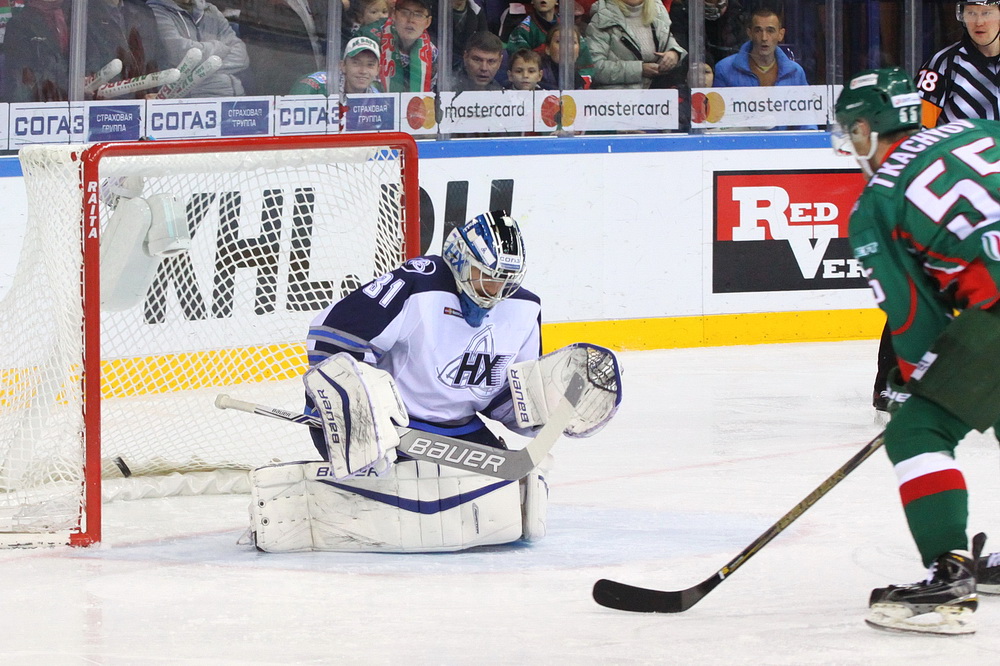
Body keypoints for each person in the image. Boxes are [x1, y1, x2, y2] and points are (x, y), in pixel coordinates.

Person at [247, 211, 622, 553]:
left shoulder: (525, 309)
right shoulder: (418, 284)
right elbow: (332, 335)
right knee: (396, 487)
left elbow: (499, 398)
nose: (496, 291)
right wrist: (350, 409)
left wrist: (545, 409)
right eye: (487, 276)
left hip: (460, 433)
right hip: (393, 427)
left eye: (506, 281)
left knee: (522, 508)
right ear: (459, 258)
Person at [833, 67, 1000, 635]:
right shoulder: (978, 129)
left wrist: (915, 394)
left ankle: (949, 578)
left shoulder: (876, 203)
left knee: (917, 433)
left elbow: (913, 320)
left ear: (865, 130)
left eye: (849, 132)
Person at [147, 0, 248, 97]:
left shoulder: (211, 11)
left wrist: (201, 70)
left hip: (236, 98)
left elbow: (242, 57)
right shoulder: (154, 11)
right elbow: (180, 54)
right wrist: (219, 48)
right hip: (191, 103)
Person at [585, 0, 686, 90]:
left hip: (657, 97)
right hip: (616, 102)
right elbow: (594, 68)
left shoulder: (658, 9)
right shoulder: (602, 16)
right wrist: (640, 69)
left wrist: (674, 53)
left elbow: (668, 39)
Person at [236, 0, 327, 96]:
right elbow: (263, 65)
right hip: (290, 94)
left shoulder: (318, 3)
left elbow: (335, 39)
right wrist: (304, 84)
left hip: (326, 88)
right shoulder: (258, 7)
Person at [87, 0, 167, 98]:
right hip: (105, 105)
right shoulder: (81, 12)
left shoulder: (144, 13)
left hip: (148, 104)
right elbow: (88, 70)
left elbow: (159, 60)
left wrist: (159, 94)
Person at [713, 6, 806, 87]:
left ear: (781, 34)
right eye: (758, 30)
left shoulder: (796, 73)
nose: (764, 38)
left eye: (770, 31)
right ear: (749, 33)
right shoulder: (724, 69)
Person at [358, 0, 438, 92]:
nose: (410, 20)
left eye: (418, 15)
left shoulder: (432, 53)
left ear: (428, 22)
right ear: (393, 14)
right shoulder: (369, 40)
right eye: (405, 13)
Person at [1, 0, 69, 102]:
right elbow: (21, 81)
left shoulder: (80, 13)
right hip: (42, 105)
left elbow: (94, 59)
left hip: (83, 100)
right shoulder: (19, 24)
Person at [288, 36, 383, 95]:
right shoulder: (314, 86)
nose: (363, 71)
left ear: (378, 70)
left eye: (370, 65)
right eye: (356, 63)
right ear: (343, 66)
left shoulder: (377, 97)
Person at [539, 23, 592, 89]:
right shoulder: (537, 78)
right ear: (548, 49)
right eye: (559, 41)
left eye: (573, 42)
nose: (567, 46)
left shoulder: (578, 81)